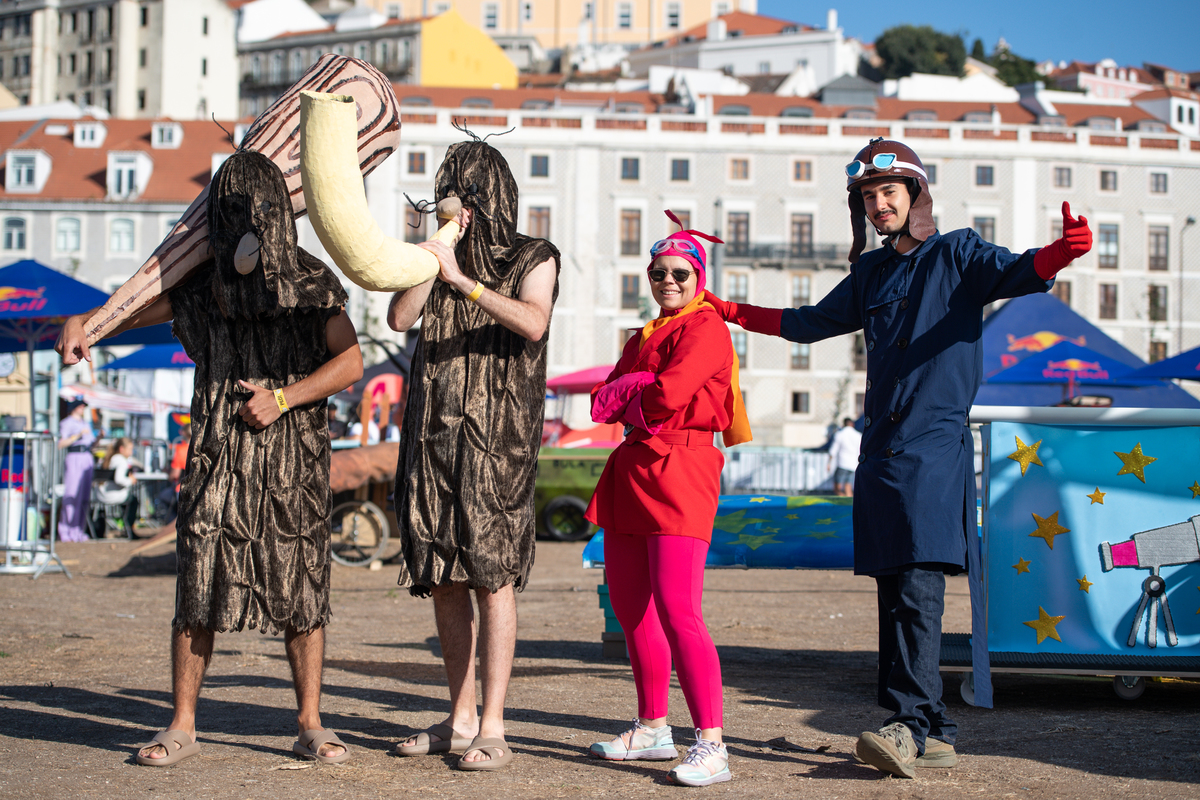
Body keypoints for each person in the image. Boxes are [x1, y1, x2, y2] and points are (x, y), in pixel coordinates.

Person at [708, 139, 1091, 779]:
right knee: (893, 594)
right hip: (879, 451)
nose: (879, 203)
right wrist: (730, 312)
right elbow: (807, 322)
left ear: (916, 197)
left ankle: (909, 724)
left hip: (934, 448)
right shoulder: (870, 274)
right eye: (868, 195)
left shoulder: (959, 252)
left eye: (889, 191)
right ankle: (930, 729)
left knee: (917, 592)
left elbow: (1018, 272)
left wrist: (1062, 252)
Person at [56, 150, 364, 767]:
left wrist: (283, 398)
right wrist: (85, 321)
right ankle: (182, 723)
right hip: (217, 457)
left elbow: (350, 362)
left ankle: (309, 722)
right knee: (197, 585)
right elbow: (137, 311)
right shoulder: (205, 285)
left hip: (292, 463)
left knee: (301, 589)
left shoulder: (310, 282)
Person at [388, 138, 559, 770]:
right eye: (440, 198)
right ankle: (458, 718)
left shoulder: (534, 256)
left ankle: (493, 725)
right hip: (433, 438)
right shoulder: (435, 254)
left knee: (493, 577)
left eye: (454, 197)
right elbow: (400, 319)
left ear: (484, 199)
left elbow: (533, 322)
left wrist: (464, 281)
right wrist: (434, 262)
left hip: (498, 444)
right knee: (443, 577)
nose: (445, 208)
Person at [584, 212, 749, 787]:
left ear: (698, 277)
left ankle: (713, 744)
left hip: (682, 468)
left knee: (679, 609)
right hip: (632, 469)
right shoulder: (645, 335)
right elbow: (599, 405)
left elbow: (667, 396)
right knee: (631, 608)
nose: (668, 282)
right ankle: (654, 728)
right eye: (658, 273)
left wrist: (632, 388)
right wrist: (636, 390)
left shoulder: (706, 329)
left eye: (680, 272)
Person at [57, 399, 94, 542]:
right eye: (80, 406)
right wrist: (77, 435)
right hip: (74, 457)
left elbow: (91, 444)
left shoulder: (85, 423)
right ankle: (65, 531)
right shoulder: (66, 423)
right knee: (71, 495)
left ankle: (78, 530)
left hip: (87, 457)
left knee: (84, 497)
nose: (83, 408)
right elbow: (61, 443)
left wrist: (99, 438)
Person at [99, 437, 142, 535]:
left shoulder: (110, 458)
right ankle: (128, 529)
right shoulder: (121, 460)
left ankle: (125, 528)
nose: (131, 452)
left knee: (128, 501)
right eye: (130, 449)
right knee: (133, 500)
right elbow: (119, 479)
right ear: (122, 449)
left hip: (101, 494)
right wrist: (130, 480)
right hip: (113, 495)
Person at [827, 418, 862, 497]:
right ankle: (850, 507)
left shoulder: (840, 434)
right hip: (853, 464)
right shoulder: (858, 435)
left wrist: (829, 463)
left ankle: (841, 505)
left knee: (837, 488)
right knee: (848, 488)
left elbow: (833, 450)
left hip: (842, 464)